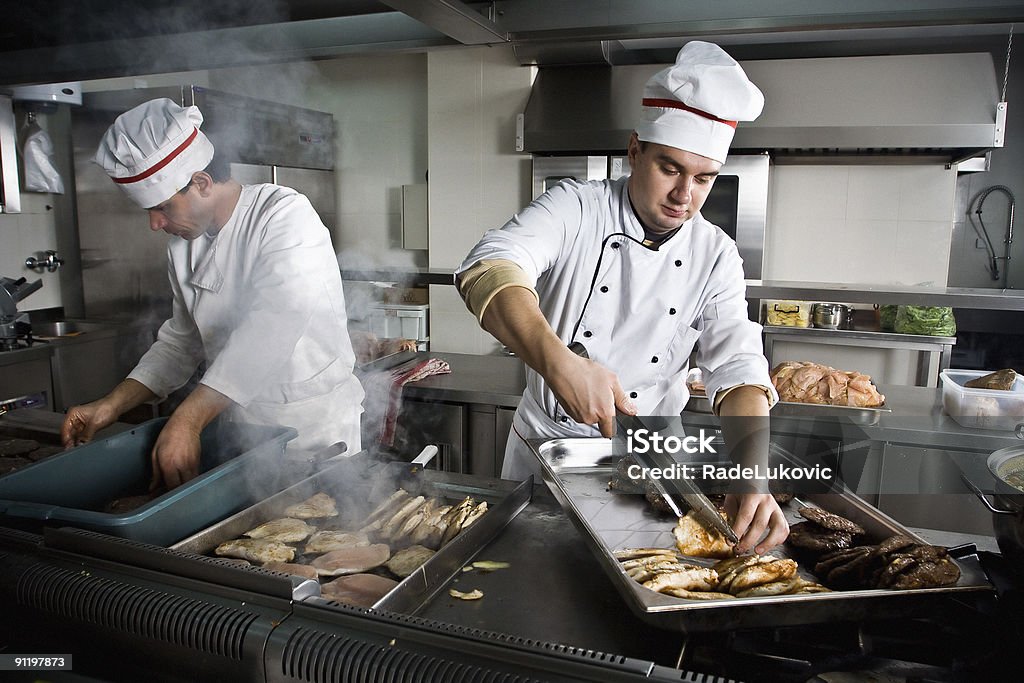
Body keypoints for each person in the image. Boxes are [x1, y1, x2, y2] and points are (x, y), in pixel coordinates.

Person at [456, 42, 787, 554]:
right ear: (635, 150)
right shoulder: (576, 207)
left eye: (704, 179)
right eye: (671, 169)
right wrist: (560, 364)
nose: (685, 196)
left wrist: (752, 473)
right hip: (548, 451)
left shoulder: (715, 252)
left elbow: (738, 366)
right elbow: (488, 267)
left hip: (652, 463)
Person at [61, 98, 364, 489]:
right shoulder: (183, 247)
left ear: (202, 183)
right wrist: (111, 405)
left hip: (314, 430)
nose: (155, 224)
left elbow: (273, 326)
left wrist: (187, 419)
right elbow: (180, 343)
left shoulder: (284, 215)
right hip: (241, 431)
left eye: (163, 207)